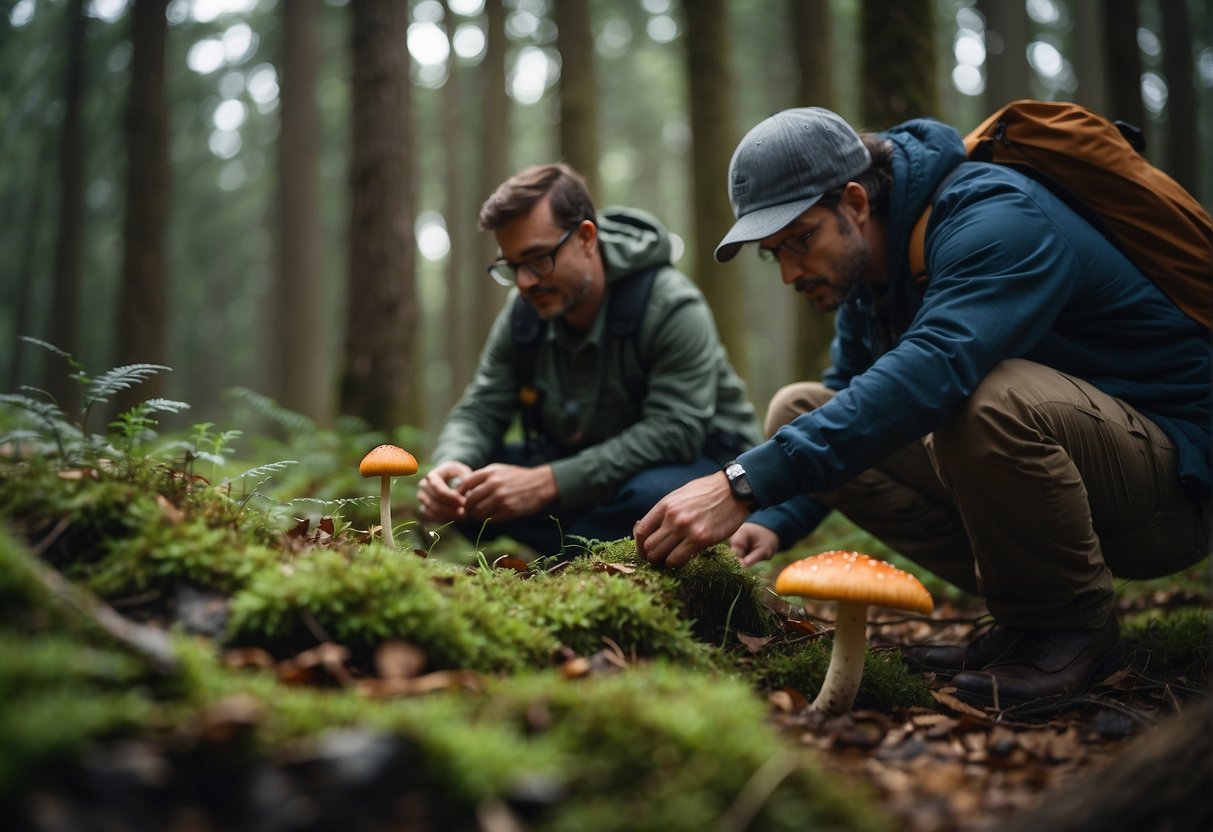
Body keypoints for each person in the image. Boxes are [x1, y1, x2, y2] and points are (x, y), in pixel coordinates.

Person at [634, 107, 1211, 705]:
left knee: (988, 399)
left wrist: (741, 484)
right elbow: (849, 408)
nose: (789, 272)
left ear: (855, 202)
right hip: (1076, 483)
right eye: (771, 253)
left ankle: (1070, 628)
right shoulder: (871, 282)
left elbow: (933, 371)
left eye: (801, 240)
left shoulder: (996, 216)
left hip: (1174, 490)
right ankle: (1025, 620)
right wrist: (771, 520)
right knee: (798, 410)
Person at [418, 162, 760, 555]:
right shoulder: (523, 312)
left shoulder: (669, 304)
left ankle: (580, 556)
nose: (526, 282)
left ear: (585, 237)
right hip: (588, 470)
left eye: (537, 258)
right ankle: (588, 548)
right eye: (512, 267)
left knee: (648, 499)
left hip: (696, 465)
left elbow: (675, 431)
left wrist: (549, 483)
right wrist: (452, 463)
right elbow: (481, 406)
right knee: (474, 488)